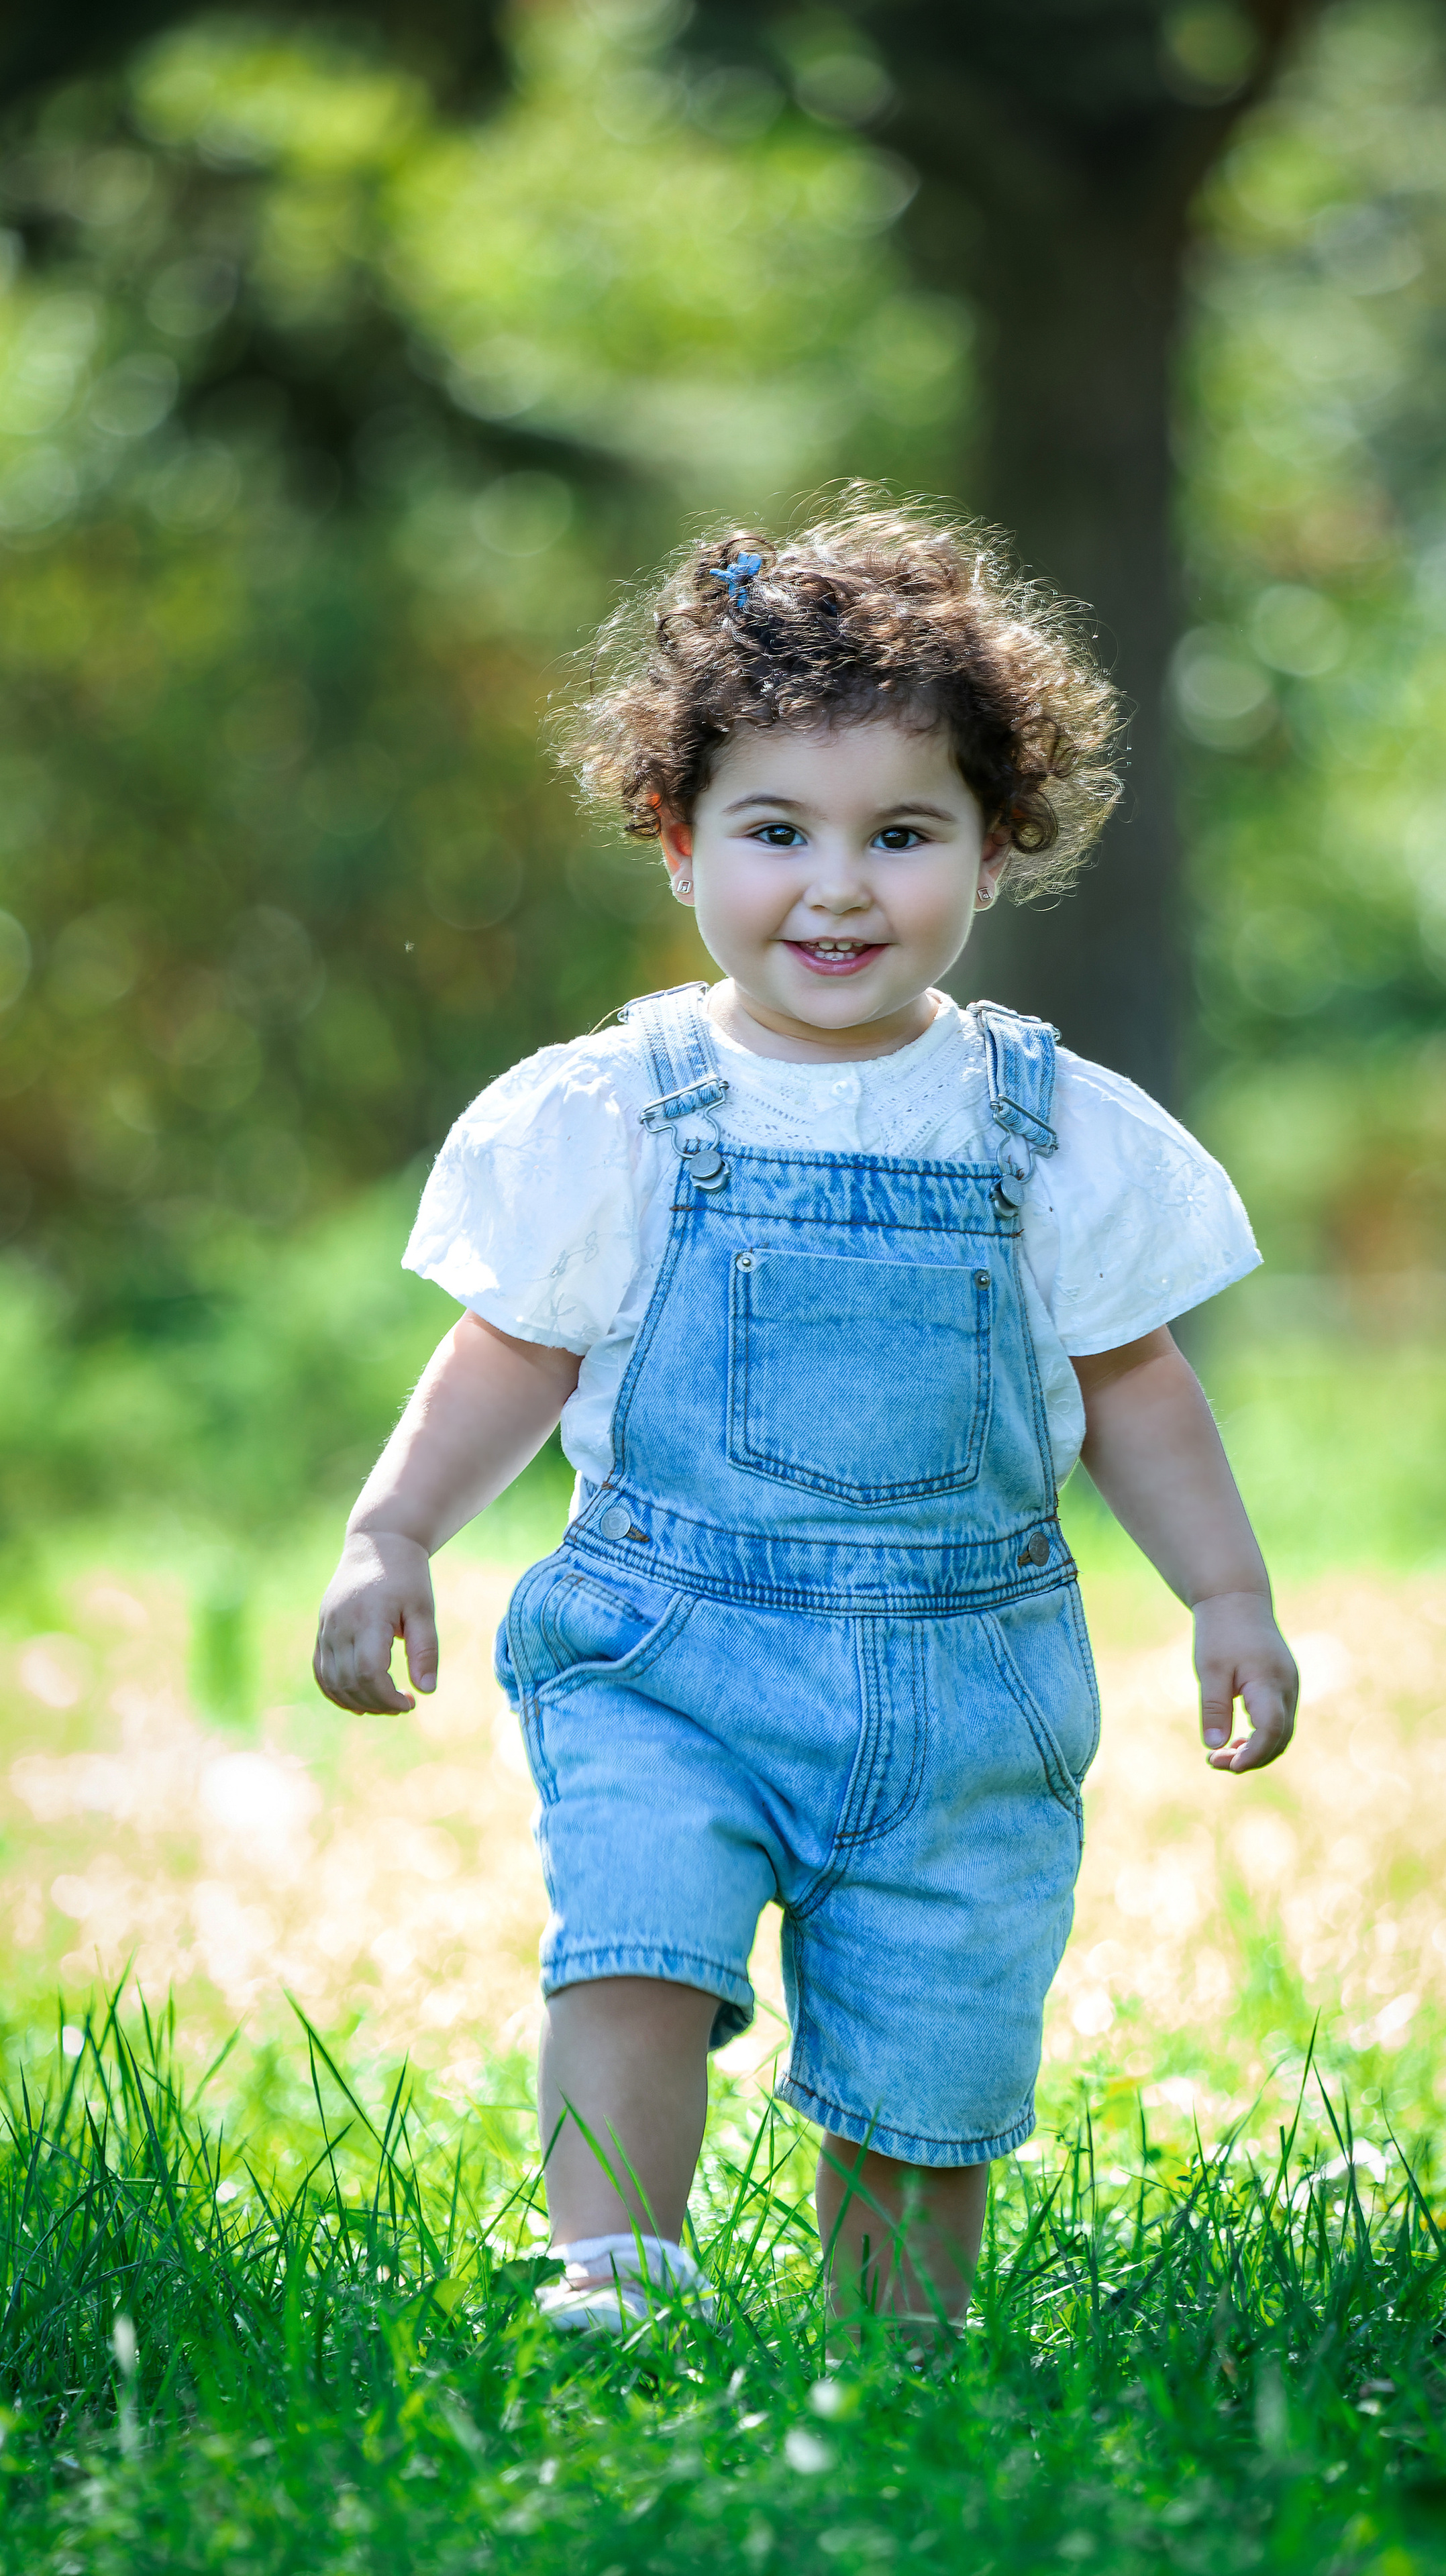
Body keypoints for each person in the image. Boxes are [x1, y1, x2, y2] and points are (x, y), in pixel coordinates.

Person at [312, 501, 1298, 2341]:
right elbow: (513, 1349)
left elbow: (1135, 1382)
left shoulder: (1043, 1125)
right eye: (778, 831)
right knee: (634, 1934)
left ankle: (892, 2348)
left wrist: (1226, 1596)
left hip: (967, 1683)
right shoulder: (620, 1111)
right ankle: (617, 2269)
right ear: (678, 836)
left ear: (995, 848)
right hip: (668, 1653)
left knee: (937, 2035)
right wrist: (395, 1532)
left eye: (902, 835)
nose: (838, 888)